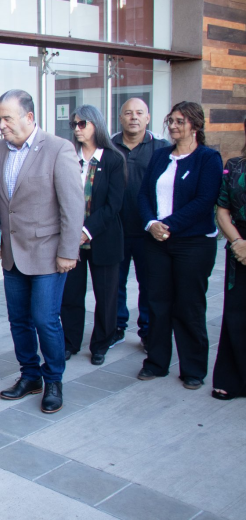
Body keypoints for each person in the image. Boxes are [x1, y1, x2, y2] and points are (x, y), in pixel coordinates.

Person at [0, 89, 84, 414]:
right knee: (19, 320)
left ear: (29, 118)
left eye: (7, 118)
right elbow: (2, 204)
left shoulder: (59, 149)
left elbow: (73, 205)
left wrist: (68, 250)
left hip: (48, 253)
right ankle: (30, 376)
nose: (1, 125)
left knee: (45, 319)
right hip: (13, 254)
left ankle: (53, 379)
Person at [137, 102, 223, 389]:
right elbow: (143, 195)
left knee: (189, 306)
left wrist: (168, 225)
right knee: (157, 303)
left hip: (193, 244)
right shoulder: (161, 156)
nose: (173, 126)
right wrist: (151, 223)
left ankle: (193, 370)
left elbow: (204, 201)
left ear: (195, 125)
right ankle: (156, 363)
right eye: (170, 121)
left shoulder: (208, 158)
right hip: (156, 241)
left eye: (180, 121)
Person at [59, 106, 126, 366]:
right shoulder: (67, 156)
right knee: (71, 294)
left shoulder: (113, 159)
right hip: (70, 240)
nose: (77, 128)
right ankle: (70, 342)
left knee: (106, 296)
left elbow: (114, 204)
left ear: (96, 124)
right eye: (74, 124)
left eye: (82, 123)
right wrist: (72, 233)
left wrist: (86, 232)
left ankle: (101, 343)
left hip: (103, 237)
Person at [111, 98, 169, 350]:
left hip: (149, 231)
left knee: (150, 284)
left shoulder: (162, 148)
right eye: (128, 113)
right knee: (115, 284)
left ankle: (147, 331)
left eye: (139, 113)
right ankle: (116, 327)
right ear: (120, 118)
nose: (133, 117)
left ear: (147, 118)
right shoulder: (109, 146)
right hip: (116, 229)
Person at [212, 118, 246, 400]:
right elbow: (222, 210)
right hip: (240, 246)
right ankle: (232, 379)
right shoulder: (234, 166)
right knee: (236, 314)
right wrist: (237, 242)